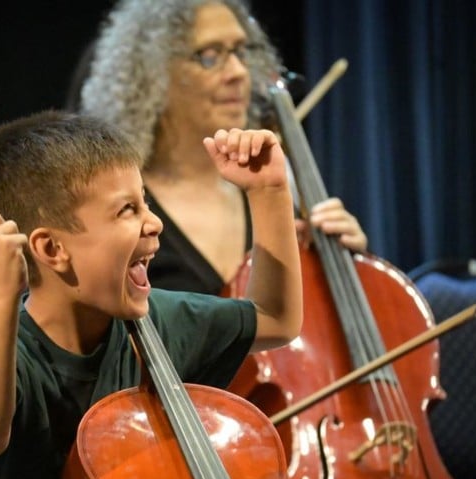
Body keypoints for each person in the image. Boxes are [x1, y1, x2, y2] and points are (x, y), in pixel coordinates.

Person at [0, 109, 302, 479]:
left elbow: (276, 320)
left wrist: (270, 193)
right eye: (127, 210)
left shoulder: (159, 320)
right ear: (52, 249)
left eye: (146, 203)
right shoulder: (9, 352)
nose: (154, 224)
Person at [78, 0, 367, 296]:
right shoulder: (114, 205)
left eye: (241, 51)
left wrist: (350, 262)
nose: (239, 72)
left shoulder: (274, 188)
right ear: (151, 74)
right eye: (209, 56)